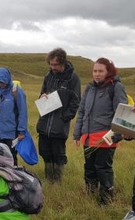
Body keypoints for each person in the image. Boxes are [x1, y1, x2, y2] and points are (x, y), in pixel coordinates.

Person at [73, 57, 128, 207]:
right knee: (89, 168)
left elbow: (122, 113)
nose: (97, 74)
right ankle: (90, 196)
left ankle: (106, 201)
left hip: (106, 138)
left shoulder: (116, 87)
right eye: (95, 71)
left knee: (103, 169)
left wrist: (115, 136)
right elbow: (82, 112)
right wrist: (77, 134)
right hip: (88, 137)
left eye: (100, 71)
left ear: (108, 71)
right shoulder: (89, 88)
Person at [36, 48, 81, 183]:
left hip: (59, 125)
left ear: (63, 62)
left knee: (58, 155)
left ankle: (57, 181)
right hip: (45, 123)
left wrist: (64, 117)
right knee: (45, 152)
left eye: (55, 65)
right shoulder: (48, 76)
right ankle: (48, 179)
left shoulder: (73, 79)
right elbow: (42, 94)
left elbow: (76, 101)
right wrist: (42, 97)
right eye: (51, 64)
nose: (52, 67)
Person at [0, 67, 28, 166]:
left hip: (11, 134)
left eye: (2, 82)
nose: (0, 84)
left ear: (7, 80)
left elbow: (23, 112)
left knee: (11, 158)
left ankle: (13, 179)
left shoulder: (16, 91)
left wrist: (21, 131)